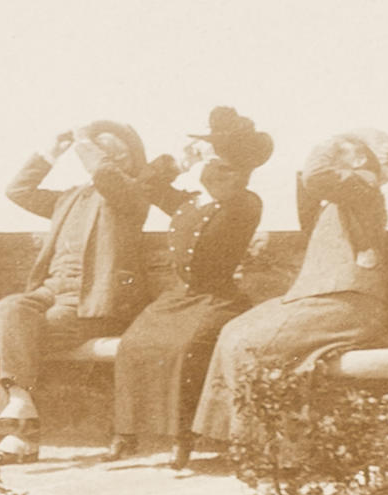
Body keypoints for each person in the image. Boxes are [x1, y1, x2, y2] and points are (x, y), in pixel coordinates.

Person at [191, 131, 388, 451]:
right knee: (233, 331)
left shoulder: (363, 187)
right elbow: (308, 184)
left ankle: (267, 451)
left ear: (359, 160)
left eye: (340, 152)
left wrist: (331, 142)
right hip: (320, 295)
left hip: (347, 301)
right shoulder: (343, 194)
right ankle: (236, 438)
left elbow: (315, 175)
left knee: (253, 344)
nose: (332, 158)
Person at [107, 108, 274, 465]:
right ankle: (126, 432)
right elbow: (147, 186)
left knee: (186, 349)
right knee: (133, 343)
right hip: (181, 296)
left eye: (223, 161)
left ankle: (182, 436)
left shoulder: (245, 203)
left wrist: (212, 164)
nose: (214, 166)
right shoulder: (190, 203)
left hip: (217, 296)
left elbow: (226, 187)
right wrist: (178, 164)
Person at [0, 120, 155, 461]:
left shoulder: (133, 193)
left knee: (23, 337)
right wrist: (49, 153)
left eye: (118, 153)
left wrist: (85, 141)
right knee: (11, 309)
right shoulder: (70, 197)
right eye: (105, 150)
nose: (110, 158)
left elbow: (107, 177)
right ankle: (20, 397)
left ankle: (21, 437)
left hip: (90, 300)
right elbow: (17, 191)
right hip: (51, 290)